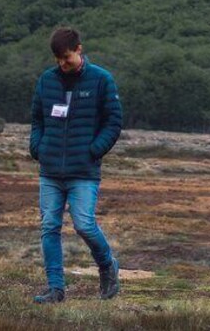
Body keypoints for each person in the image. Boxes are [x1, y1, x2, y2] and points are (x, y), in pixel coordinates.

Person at [29, 26, 123, 304]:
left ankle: (107, 266)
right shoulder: (46, 81)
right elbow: (37, 119)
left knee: (84, 224)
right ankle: (56, 289)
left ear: (79, 50)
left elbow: (114, 122)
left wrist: (93, 151)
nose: (62, 64)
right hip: (50, 171)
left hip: (83, 171)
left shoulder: (101, 80)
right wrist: (38, 148)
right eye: (57, 59)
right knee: (49, 227)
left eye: (66, 58)